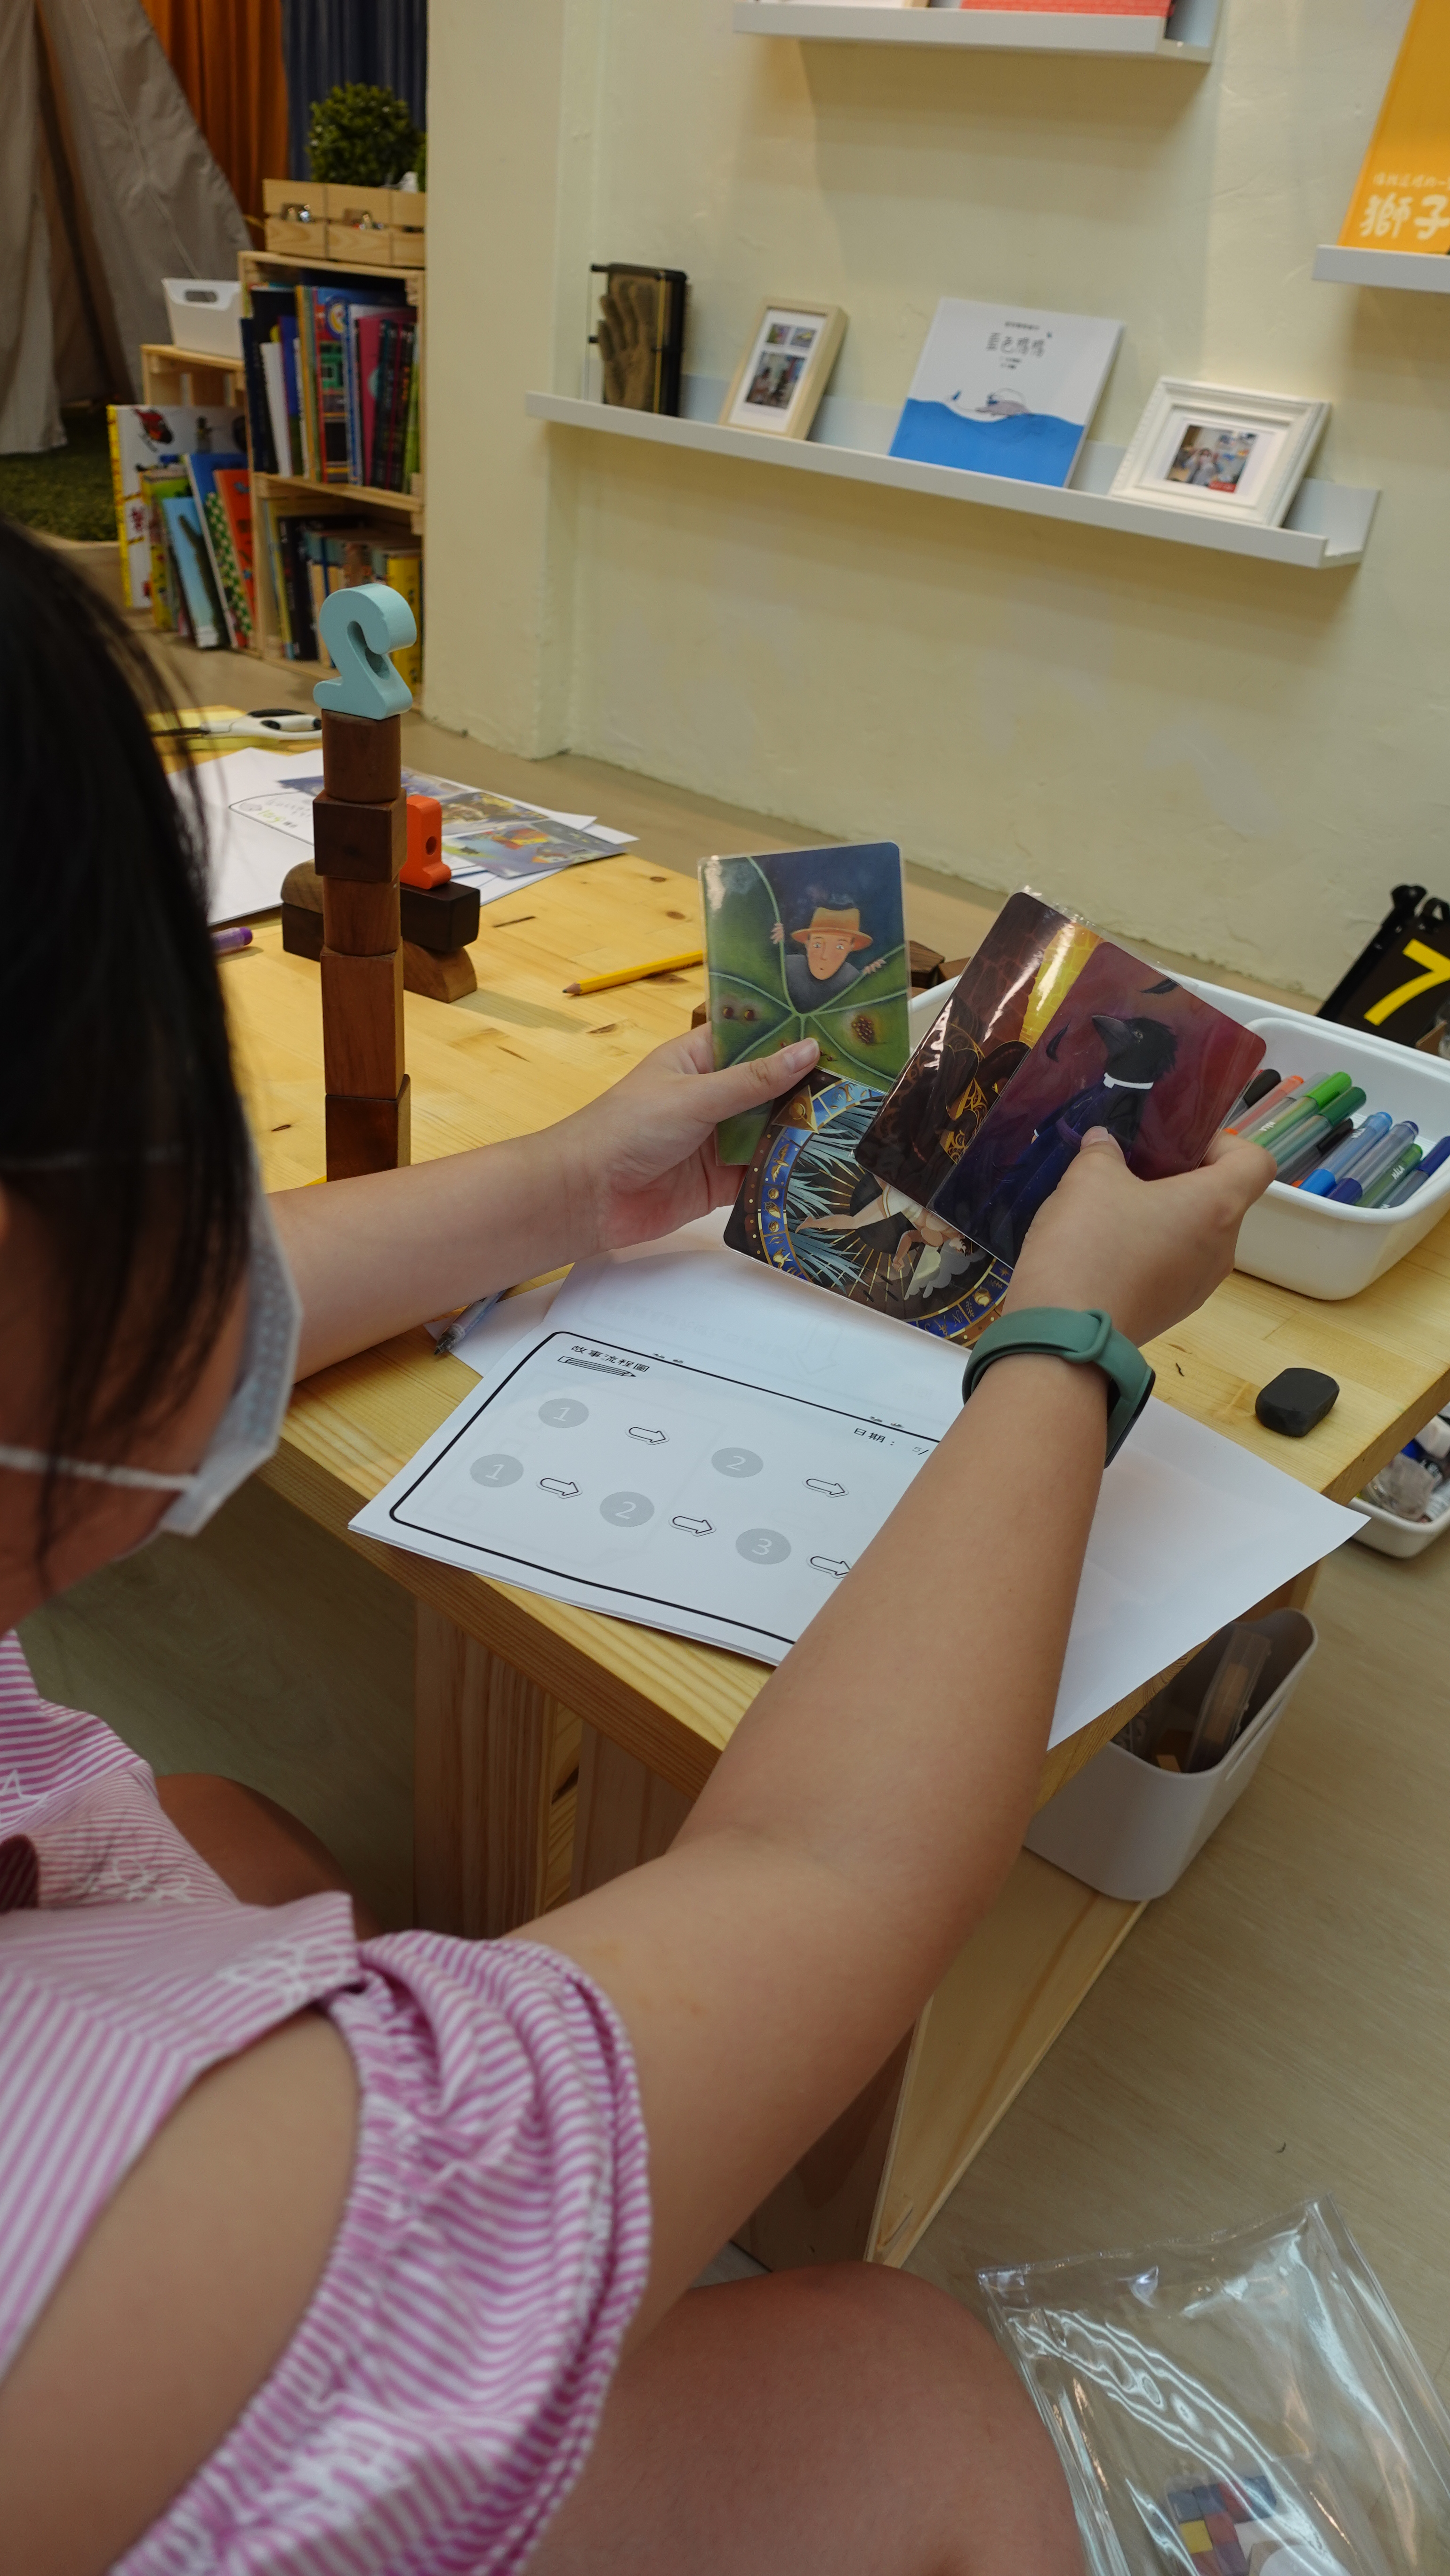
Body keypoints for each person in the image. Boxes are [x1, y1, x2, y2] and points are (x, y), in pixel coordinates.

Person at [0, 519, 1273, 2576]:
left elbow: (174, 1320)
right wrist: (1068, 1342)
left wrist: (562, 1185)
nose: (205, 1212)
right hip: (180, 2361)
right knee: (895, 2380)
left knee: (242, 1840)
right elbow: (826, 1876)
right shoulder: (163, 2265)